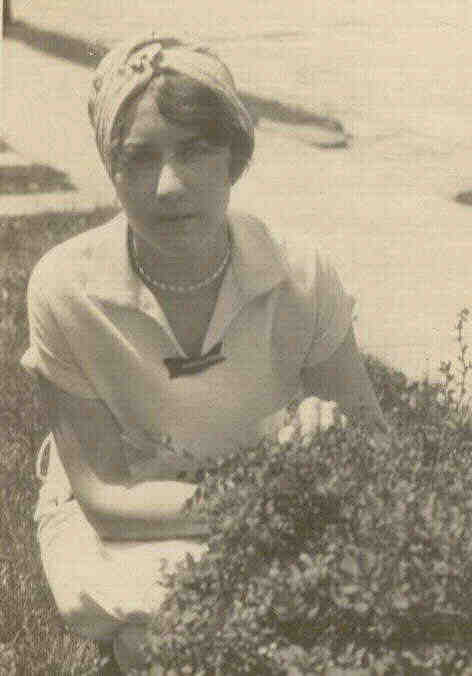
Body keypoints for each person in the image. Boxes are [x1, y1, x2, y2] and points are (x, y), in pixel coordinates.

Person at [21, 34, 386, 674]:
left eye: (194, 150)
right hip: (134, 517)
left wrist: (330, 436)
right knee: (171, 612)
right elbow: (106, 498)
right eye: (139, 158)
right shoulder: (65, 286)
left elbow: (372, 444)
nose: (169, 187)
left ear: (234, 159)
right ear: (110, 168)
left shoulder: (299, 272)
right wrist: (266, 503)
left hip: (263, 497)